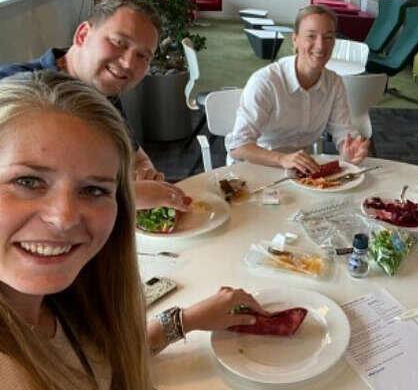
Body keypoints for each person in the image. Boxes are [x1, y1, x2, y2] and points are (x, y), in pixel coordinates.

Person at [0, 71, 266, 389]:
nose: (65, 217)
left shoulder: (64, 300)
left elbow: (102, 362)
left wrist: (184, 320)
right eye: (27, 181)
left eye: (93, 190)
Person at [0, 0, 190, 213]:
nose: (128, 63)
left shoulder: (103, 93)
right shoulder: (11, 86)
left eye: (142, 56)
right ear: (82, 35)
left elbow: (135, 156)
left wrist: (144, 170)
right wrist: (126, 194)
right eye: (119, 42)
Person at [226, 5, 369, 174]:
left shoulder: (334, 82)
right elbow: (238, 147)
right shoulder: (266, 81)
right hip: (257, 167)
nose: (321, 46)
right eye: (311, 36)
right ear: (295, 40)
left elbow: (343, 133)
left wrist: (349, 150)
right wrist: (282, 159)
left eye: (328, 37)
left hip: (300, 171)